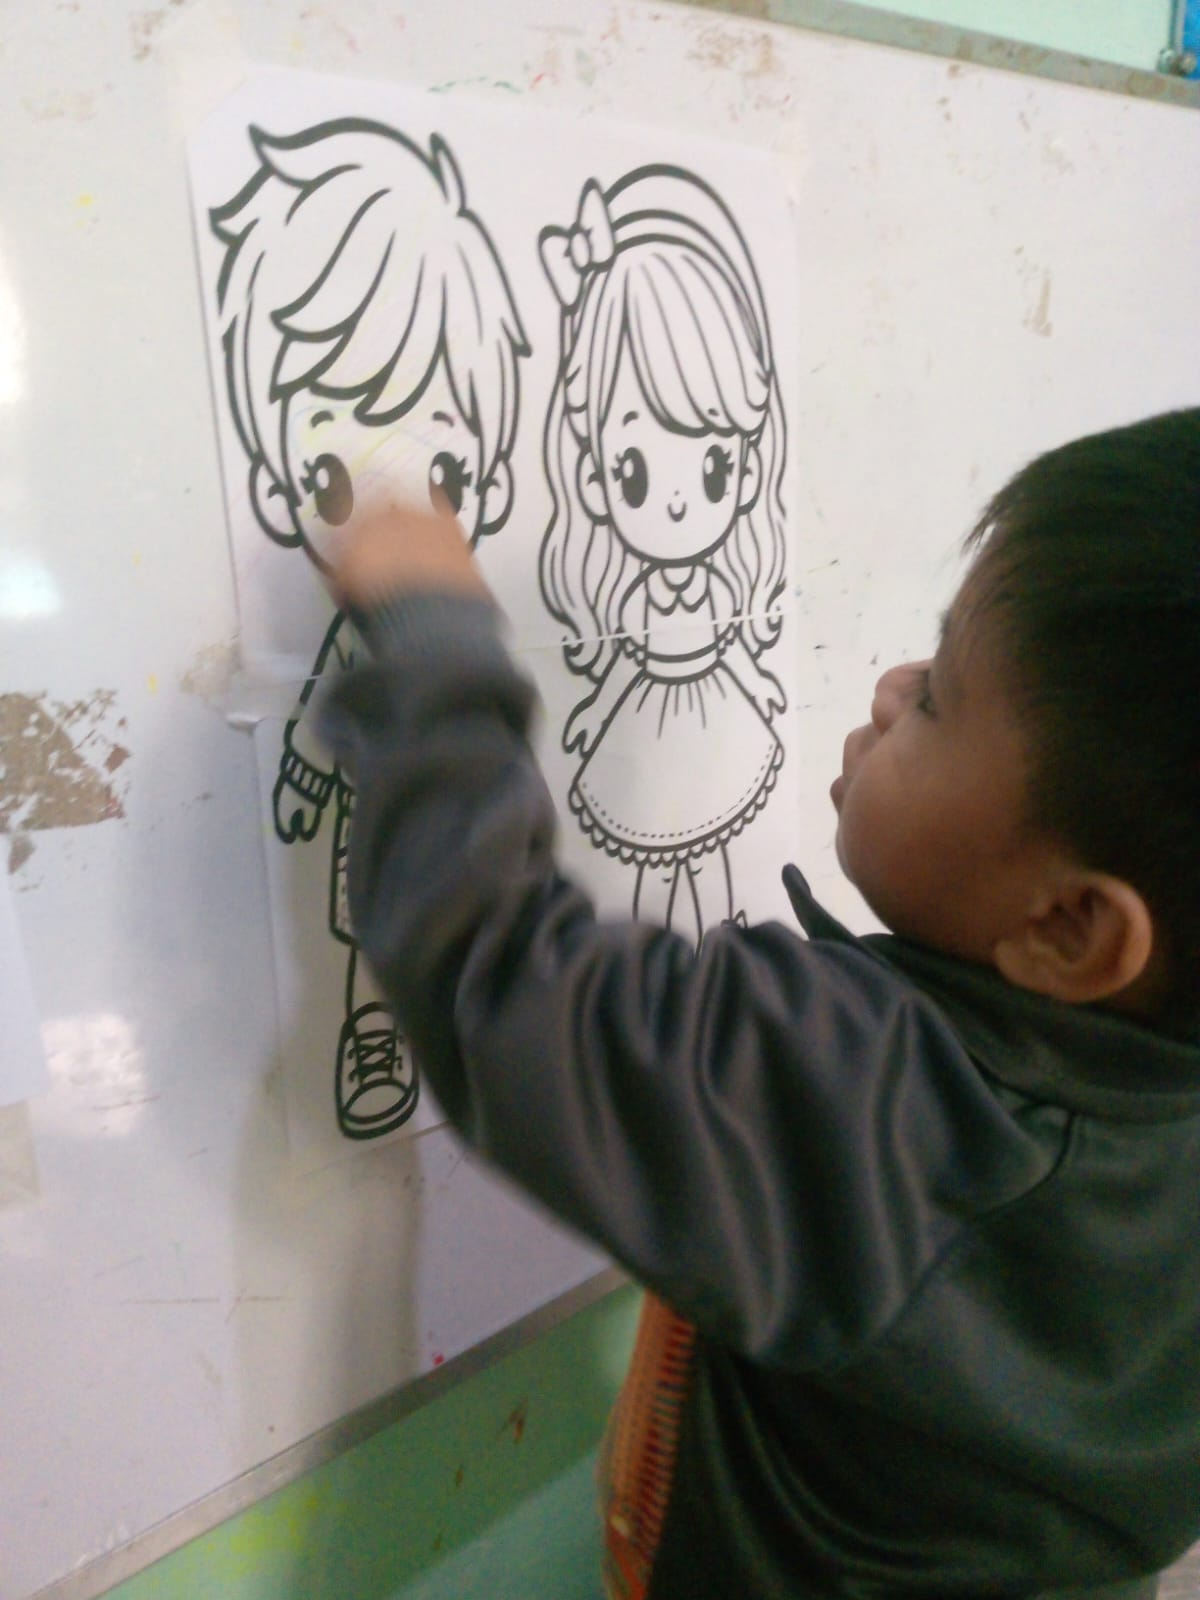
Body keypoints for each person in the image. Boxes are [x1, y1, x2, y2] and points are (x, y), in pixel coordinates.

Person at [318, 408, 1200, 1599]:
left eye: (938, 699)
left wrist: (433, 643)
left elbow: (498, 978)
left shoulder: (883, 1109)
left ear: (1070, 929)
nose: (889, 688)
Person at [209, 118, 527, 1138]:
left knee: (413, 925)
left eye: (442, 477)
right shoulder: (356, 641)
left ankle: (407, 1032)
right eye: (338, 474)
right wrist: (307, 782)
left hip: (428, 820)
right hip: (371, 810)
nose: (395, 515)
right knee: (364, 934)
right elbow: (320, 704)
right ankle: (374, 1034)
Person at [537, 168, 788, 940]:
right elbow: (623, 666)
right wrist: (594, 713)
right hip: (651, 727)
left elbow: (732, 647)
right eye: (637, 474)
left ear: (745, 471)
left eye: (710, 467)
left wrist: (758, 683)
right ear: (596, 479)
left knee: (708, 848)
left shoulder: (718, 588)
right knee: (652, 857)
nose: (678, 505)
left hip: (713, 720)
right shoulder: (636, 600)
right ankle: (646, 953)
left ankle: (721, 942)